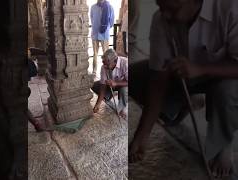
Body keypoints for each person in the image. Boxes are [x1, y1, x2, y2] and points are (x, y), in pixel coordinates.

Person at [130, 0, 238, 179]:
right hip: (187, 74)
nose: (164, 15)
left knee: (227, 92)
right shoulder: (162, 19)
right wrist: (142, 134)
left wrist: (201, 69)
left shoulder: (230, 7)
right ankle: (184, 103)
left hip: (224, 76)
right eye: (160, 6)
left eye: (172, 10)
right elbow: (158, 81)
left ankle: (223, 141)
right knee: (135, 78)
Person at [92, 49, 128, 119]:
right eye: (104, 63)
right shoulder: (104, 66)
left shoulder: (125, 63)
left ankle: (122, 108)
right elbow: (103, 86)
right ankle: (109, 95)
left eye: (107, 64)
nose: (104, 66)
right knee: (95, 85)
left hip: (123, 84)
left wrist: (116, 83)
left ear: (115, 61)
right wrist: (98, 104)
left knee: (124, 90)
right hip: (111, 84)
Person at [90, 0, 114, 75]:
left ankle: (107, 71)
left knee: (106, 54)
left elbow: (111, 22)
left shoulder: (109, 7)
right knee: (95, 54)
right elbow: (92, 19)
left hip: (104, 34)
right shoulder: (93, 7)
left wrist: (104, 28)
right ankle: (94, 71)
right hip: (95, 34)